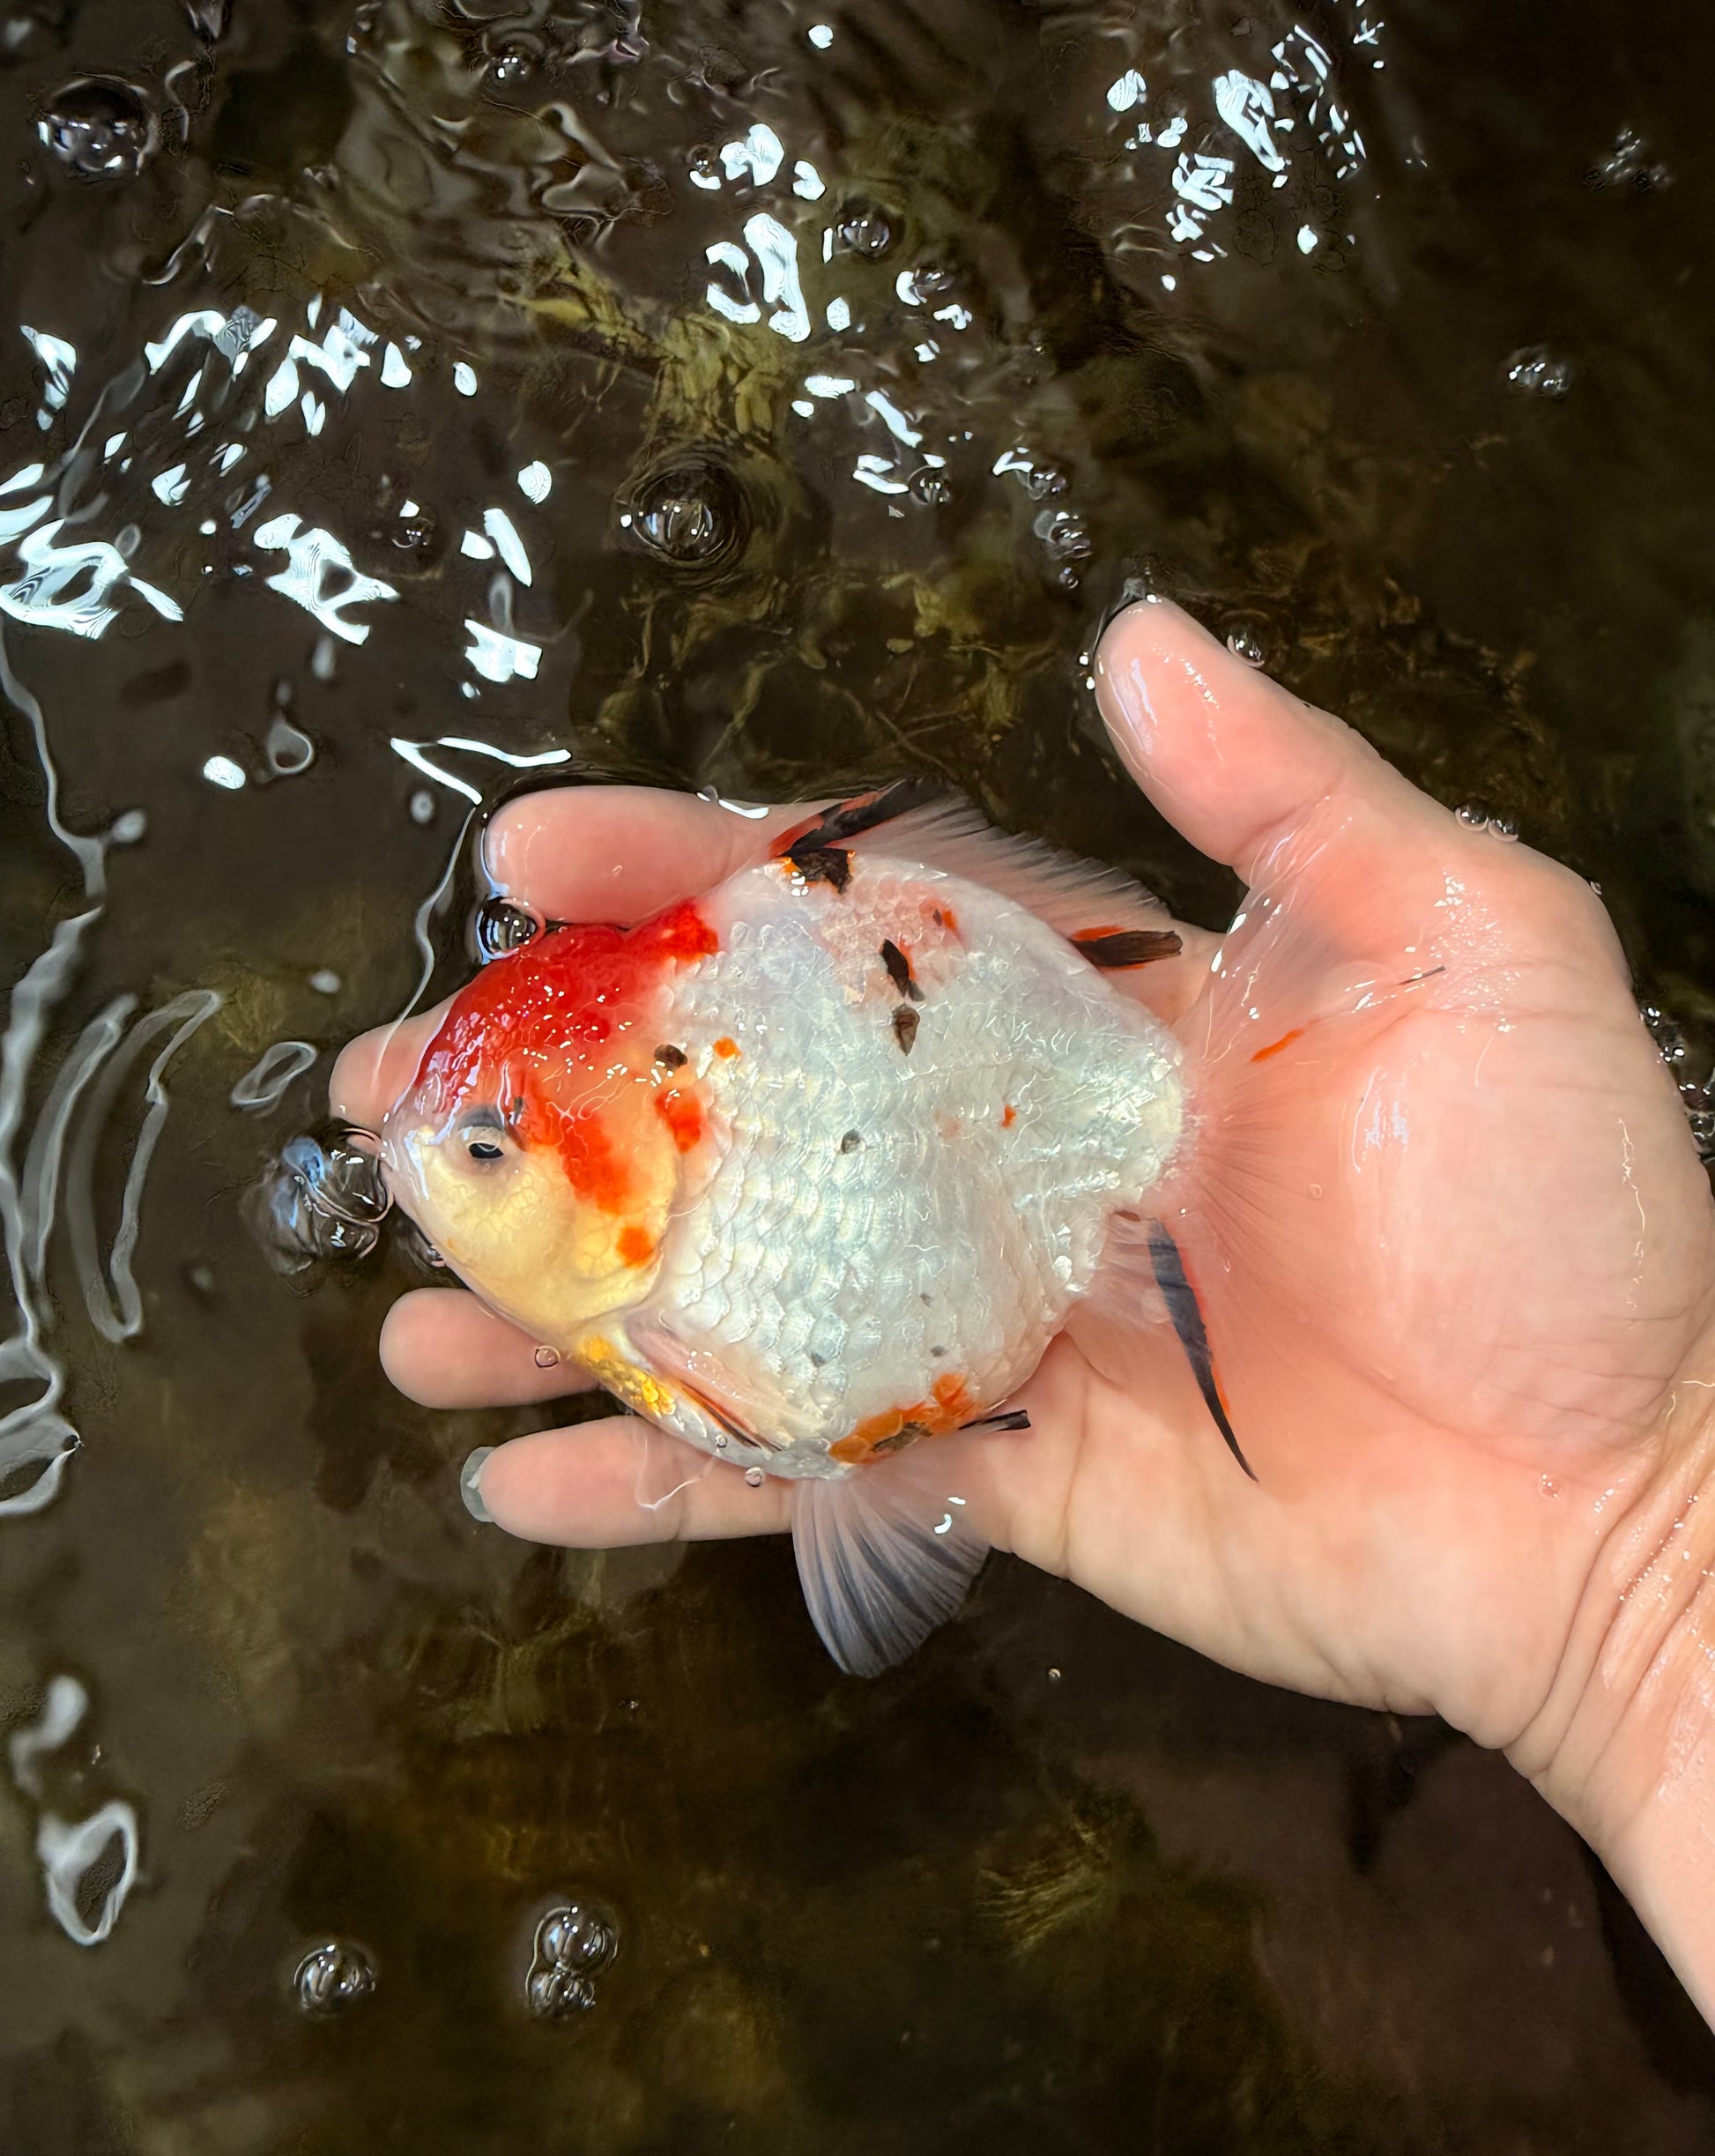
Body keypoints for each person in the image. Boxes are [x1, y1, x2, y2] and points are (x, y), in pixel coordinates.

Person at [332, 598, 1715, 2025]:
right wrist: (1635, 1584)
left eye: (485, 1151)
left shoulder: (675, 1261)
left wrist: (1644, 1554)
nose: (430, 1174)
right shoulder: (654, 1256)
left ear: (639, 1161)